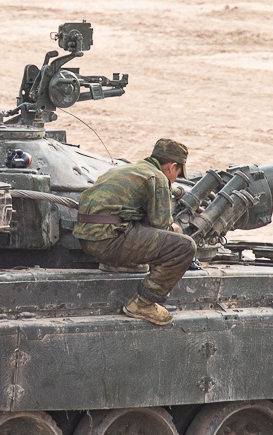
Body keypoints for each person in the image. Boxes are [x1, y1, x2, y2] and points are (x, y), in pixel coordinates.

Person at [73, 138, 197, 326]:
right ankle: (144, 303)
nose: (175, 178)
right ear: (172, 167)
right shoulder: (158, 177)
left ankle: (115, 263)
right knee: (184, 246)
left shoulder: (125, 169)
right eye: (178, 172)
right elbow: (160, 226)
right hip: (109, 240)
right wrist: (174, 229)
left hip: (88, 238)